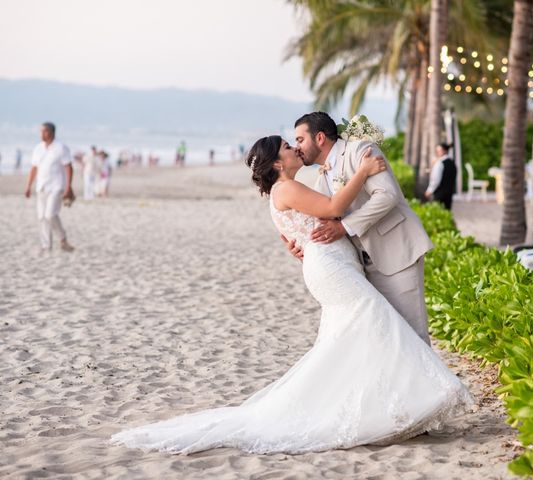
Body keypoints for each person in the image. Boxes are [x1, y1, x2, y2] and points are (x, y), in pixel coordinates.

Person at [110, 136, 473, 454]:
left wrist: (299, 243)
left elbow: (304, 227)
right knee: (376, 324)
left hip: (334, 264)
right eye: (287, 146)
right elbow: (332, 210)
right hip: (331, 269)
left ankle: (389, 404)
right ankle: (411, 401)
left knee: (354, 337)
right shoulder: (285, 187)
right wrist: (363, 172)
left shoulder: (288, 188)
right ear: (277, 163)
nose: (294, 148)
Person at [289, 112, 433, 343]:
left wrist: (345, 227)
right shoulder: (321, 178)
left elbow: (387, 196)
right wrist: (305, 248)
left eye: (299, 139)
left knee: (412, 334)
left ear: (320, 138)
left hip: (395, 252)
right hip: (363, 265)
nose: (297, 147)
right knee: (387, 336)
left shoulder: (360, 151)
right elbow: (326, 223)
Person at [24, 122, 75, 252]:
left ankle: (63, 238)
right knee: (41, 217)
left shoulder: (61, 148)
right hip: (41, 186)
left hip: (57, 186)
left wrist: (68, 186)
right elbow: (34, 168)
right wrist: (28, 185)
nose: (41, 134)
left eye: (44, 131)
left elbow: (68, 167)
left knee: (50, 214)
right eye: (40, 131)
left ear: (51, 132)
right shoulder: (38, 148)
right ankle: (46, 245)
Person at [424, 143, 457, 210]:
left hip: (439, 193)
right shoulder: (452, 163)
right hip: (449, 192)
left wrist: (429, 190)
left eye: (439, 151)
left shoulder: (439, 163)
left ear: (444, 151)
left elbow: (435, 180)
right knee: (447, 211)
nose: (437, 153)